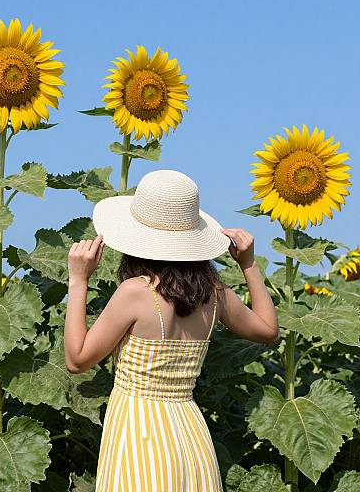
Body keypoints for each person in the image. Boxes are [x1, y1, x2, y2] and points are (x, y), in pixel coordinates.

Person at [64, 169, 278, 491]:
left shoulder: (136, 292)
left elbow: (77, 360)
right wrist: (248, 264)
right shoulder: (214, 293)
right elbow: (267, 330)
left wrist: (78, 281)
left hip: (138, 431)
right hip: (189, 432)